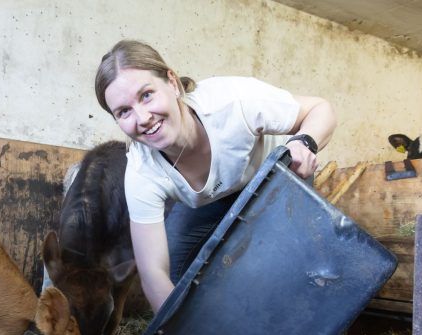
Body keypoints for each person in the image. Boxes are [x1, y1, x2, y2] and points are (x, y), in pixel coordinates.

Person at [94, 39, 337, 313]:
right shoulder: (142, 171)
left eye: (146, 95)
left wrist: (303, 142)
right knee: (175, 272)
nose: (142, 117)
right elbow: (153, 274)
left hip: (275, 182)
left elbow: (321, 109)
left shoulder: (232, 101)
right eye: (124, 111)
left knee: (280, 268)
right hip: (211, 201)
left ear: (172, 83)